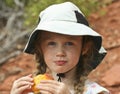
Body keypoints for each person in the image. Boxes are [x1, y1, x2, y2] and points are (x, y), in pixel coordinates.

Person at [10, 2, 110, 94]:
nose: (60, 52)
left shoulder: (96, 92)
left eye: (69, 43)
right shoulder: (30, 91)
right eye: (51, 43)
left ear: (85, 48)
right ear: (40, 48)